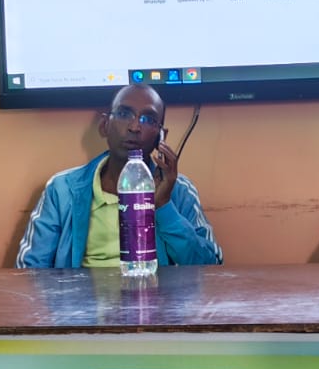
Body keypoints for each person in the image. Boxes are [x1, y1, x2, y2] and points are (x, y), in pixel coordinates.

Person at [16, 83, 222, 268]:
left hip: (154, 295)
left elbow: (210, 267)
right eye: (124, 114)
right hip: (80, 297)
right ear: (105, 125)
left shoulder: (178, 190)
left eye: (148, 119)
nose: (134, 127)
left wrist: (163, 206)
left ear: (161, 137)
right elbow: (30, 271)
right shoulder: (62, 189)